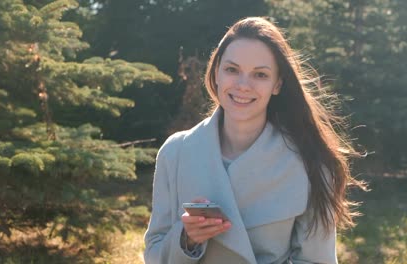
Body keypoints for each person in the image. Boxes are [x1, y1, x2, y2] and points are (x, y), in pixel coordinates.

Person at [144, 17, 366, 264]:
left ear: (277, 84)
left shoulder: (310, 161)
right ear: (216, 72)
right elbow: (154, 254)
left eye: (260, 75)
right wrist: (187, 239)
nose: (243, 85)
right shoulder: (175, 152)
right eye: (232, 70)